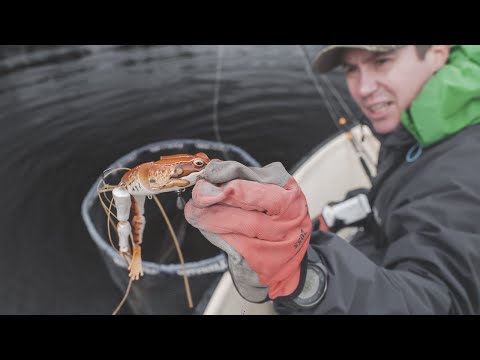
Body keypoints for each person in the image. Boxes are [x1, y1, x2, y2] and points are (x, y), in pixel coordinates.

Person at [184, 45, 480, 314]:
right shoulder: (420, 128)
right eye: (352, 69)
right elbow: (402, 195)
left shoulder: (463, 167)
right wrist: (343, 210)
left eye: (382, 60)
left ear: (437, 53)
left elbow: (440, 301)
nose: (363, 88)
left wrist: (308, 277)